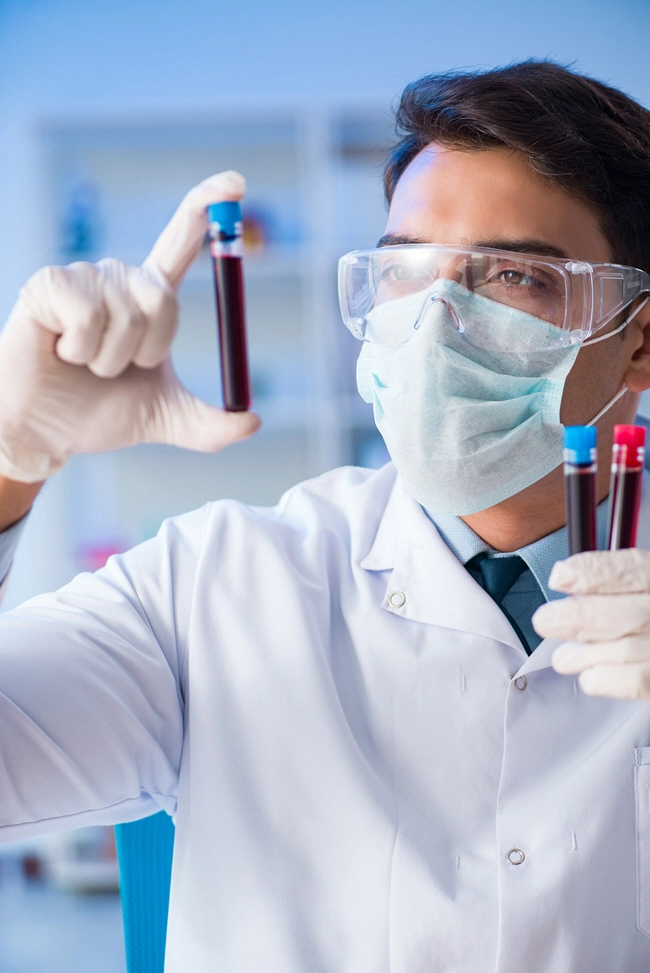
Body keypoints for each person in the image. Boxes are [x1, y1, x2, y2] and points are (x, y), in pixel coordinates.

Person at [1, 59, 650, 971]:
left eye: (512, 276)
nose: (434, 323)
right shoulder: (214, 583)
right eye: (404, 269)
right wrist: (7, 460)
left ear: (639, 341)